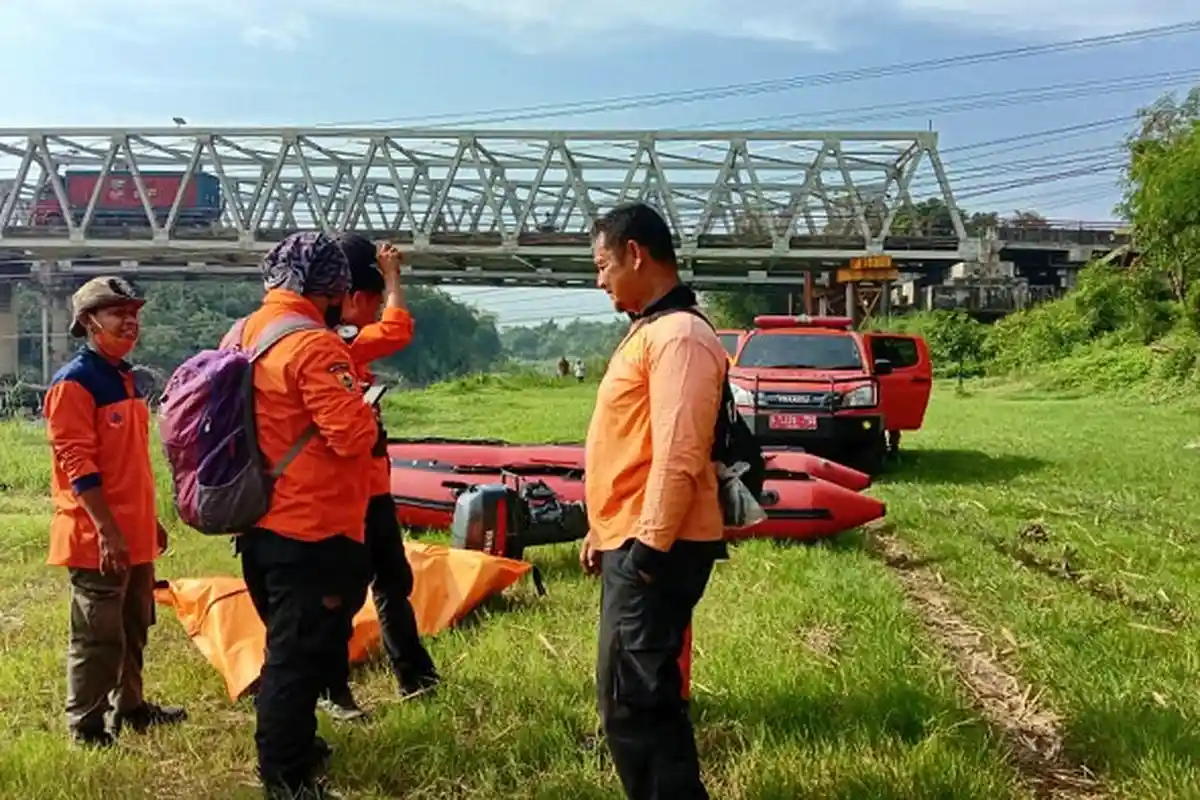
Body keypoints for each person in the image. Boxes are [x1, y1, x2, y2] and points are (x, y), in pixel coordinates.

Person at [579, 202, 729, 800]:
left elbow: (679, 449)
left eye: (602, 265)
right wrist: (603, 529)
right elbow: (634, 447)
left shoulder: (680, 336)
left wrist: (647, 547)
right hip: (632, 534)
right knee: (633, 697)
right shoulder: (651, 331)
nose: (600, 280)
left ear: (635, 254)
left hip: (656, 544)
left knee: (638, 704)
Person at [231, 232, 381, 799]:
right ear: (332, 289)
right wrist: (365, 411)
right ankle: (287, 778)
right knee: (295, 660)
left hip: (256, 522)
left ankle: (301, 746)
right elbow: (350, 434)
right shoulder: (313, 346)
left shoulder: (243, 333)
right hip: (312, 528)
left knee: (293, 644)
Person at [43, 276, 187, 748]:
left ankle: (132, 708)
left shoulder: (123, 377)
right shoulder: (75, 383)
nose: (130, 322)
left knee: (134, 625)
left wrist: (148, 521)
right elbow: (76, 463)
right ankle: (85, 728)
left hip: (133, 532)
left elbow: (129, 464)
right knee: (97, 637)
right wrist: (107, 530)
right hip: (95, 538)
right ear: (88, 322)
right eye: (116, 313)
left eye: (134, 313)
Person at [317, 233, 439, 723]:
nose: (371, 310)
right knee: (342, 595)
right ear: (352, 298)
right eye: (369, 299)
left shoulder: (340, 345)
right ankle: (333, 689)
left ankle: (415, 676)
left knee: (393, 581)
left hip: (373, 488)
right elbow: (397, 329)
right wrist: (393, 277)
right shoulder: (333, 341)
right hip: (343, 497)